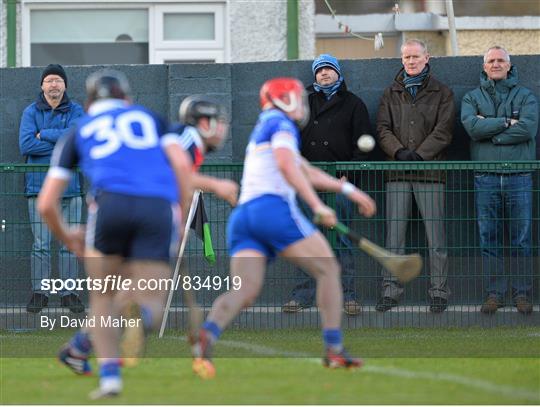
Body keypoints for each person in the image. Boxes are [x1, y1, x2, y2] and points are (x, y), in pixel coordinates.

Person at [47, 90, 237, 394]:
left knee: (117, 292)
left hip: (118, 208)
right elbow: (179, 176)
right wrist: (209, 192)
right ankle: (88, 342)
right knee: (138, 292)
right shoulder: (186, 138)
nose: (224, 128)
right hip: (147, 211)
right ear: (203, 123)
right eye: (219, 122)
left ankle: (79, 347)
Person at [190, 77, 377, 380]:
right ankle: (333, 348)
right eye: (298, 98)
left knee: (244, 291)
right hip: (272, 209)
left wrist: (347, 191)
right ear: (284, 99)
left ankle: (206, 335)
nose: (302, 104)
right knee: (328, 268)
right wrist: (317, 206)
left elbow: (303, 168)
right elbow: (289, 167)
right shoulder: (281, 124)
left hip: (245, 216)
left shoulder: (267, 125)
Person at [37, 69, 195, 399]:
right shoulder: (149, 118)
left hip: (108, 207)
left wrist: (69, 238)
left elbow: (47, 204)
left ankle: (109, 377)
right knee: (149, 294)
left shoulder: (79, 130)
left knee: (102, 297)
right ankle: (142, 313)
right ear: (127, 99)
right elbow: (181, 166)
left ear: (90, 101)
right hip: (156, 206)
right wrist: (178, 218)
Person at [282, 54, 373, 316]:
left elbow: (365, 143)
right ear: (314, 75)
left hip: (339, 185)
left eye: (329, 69)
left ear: (338, 73)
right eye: (319, 70)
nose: (324, 74)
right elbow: (290, 141)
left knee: (341, 240)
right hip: (307, 184)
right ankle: (302, 296)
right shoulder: (304, 103)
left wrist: (348, 175)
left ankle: (348, 297)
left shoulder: (353, 103)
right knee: (307, 240)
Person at [376, 39, 454, 313]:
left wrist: (420, 154)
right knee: (394, 237)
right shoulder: (390, 92)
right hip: (397, 173)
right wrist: (398, 152)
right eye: (406, 57)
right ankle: (390, 291)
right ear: (402, 60)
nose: (411, 61)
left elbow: (444, 130)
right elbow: (382, 128)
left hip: (430, 173)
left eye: (415, 56)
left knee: (436, 239)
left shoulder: (442, 92)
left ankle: (439, 292)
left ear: (427, 58)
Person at [461, 46, 537, 315]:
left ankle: (523, 294)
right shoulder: (471, 97)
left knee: (521, 239)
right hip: (486, 176)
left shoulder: (525, 95)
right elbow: (471, 127)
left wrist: (490, 131)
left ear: (509, 65)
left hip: (519, 176)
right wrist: (507, 122)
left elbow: (528, 128)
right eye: (491, 61)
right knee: (488, 238)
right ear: (484, 66)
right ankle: (495, 294)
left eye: (500, 60)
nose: (495, 64)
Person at [19, 64, 85, 314]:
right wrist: (63, 143)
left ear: (65, 85)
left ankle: (69, 293)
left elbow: (78, 141)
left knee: (69, 244)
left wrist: (44, 134)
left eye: (58, 80)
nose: (54, 85)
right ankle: (41, 292)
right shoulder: (30, 112)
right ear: (42, 86)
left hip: (72, 188)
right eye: (49, 81)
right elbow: (26, 145)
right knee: (41, 244)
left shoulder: (76, 110)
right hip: (38, 188)